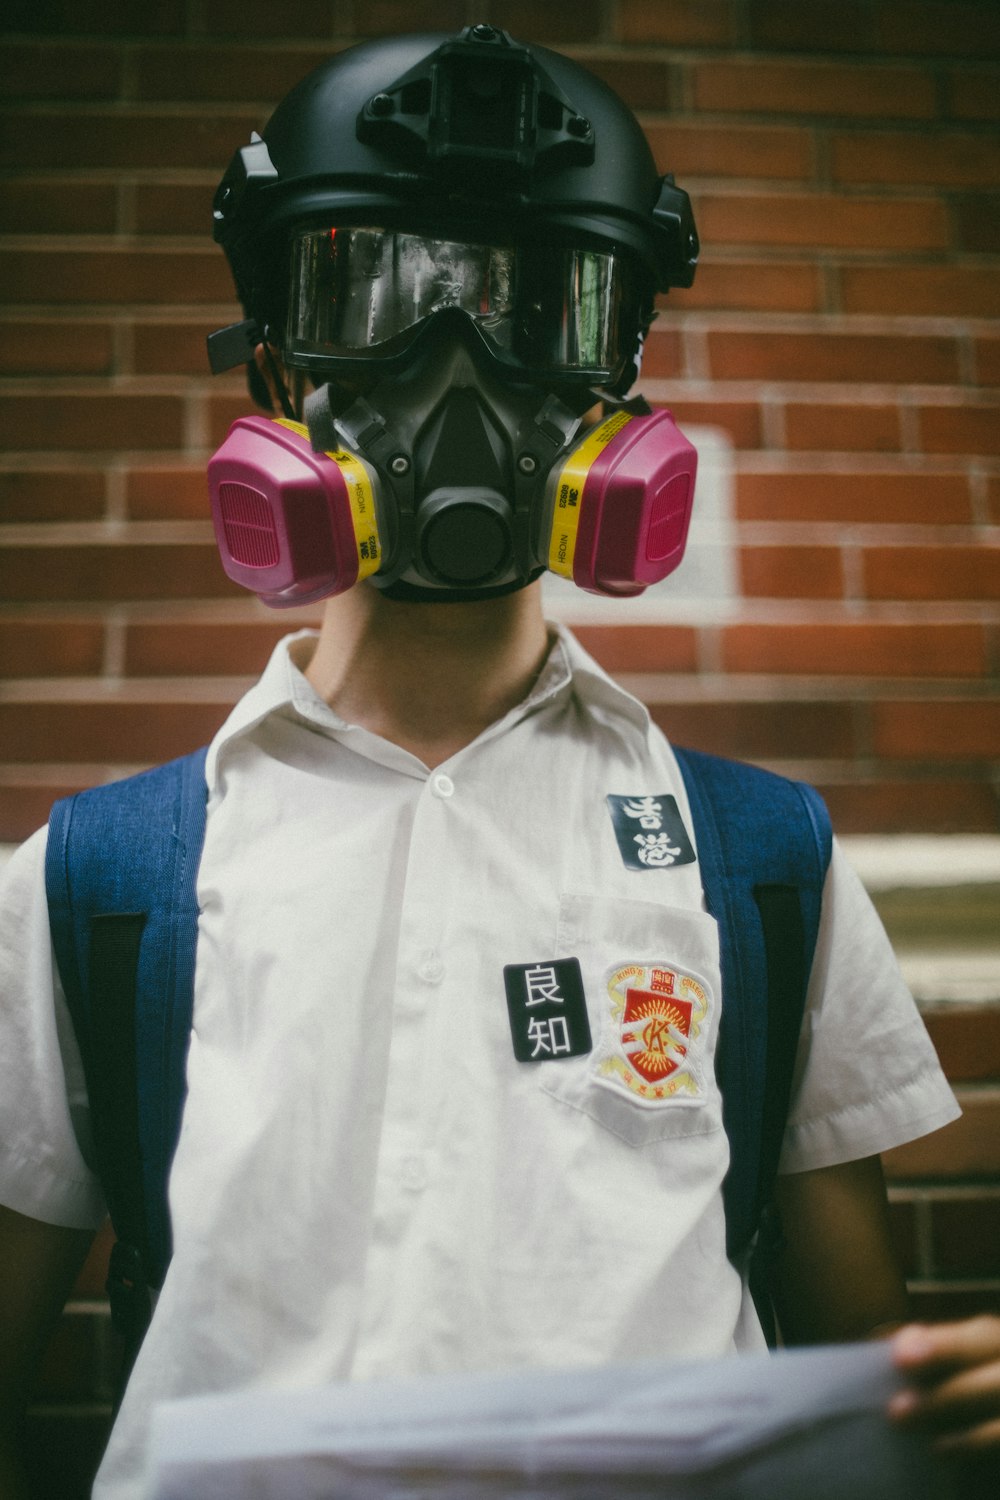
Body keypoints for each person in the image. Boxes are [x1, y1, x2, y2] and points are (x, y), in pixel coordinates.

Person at [1, 25, 998, 1499]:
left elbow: (874, 1391)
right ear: (273, 358)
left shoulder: (762, 855)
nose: (459, 369)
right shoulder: (98, 879)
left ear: (621, 375)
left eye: (546, 304)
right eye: (372, 290)